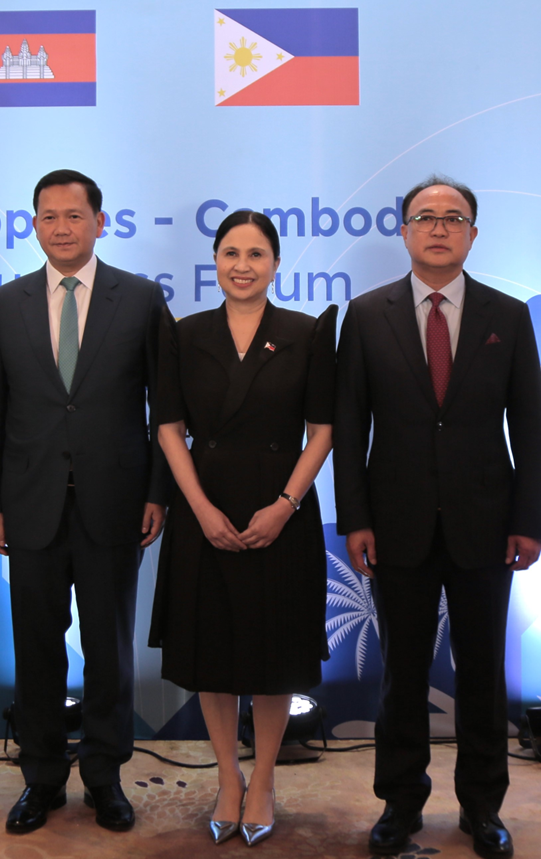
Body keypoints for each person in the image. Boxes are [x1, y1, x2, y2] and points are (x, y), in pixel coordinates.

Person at [333, 176, 541, 859]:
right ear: (403, 231)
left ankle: (482, 808)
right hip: (395, 522)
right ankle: (399, 805)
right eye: (424, 216)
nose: (437, 227)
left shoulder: (507, 315)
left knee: (483, 673)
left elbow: (531, 427)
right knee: (401, 673)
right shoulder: (366, 314)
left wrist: (530, 520)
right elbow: (349, 427)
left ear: (472, 234)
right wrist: (354, 518)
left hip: (486, 522)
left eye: (452, 217)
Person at [0, 169, 172, 834]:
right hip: (28, 506)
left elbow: (163, 409)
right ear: (34, 225)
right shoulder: (4, 304)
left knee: (109, 649)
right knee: (36, 648)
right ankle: (41, 777)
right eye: (49, 216)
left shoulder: (140, 298)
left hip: (115, 502)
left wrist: (157, 492)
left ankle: (105, 776)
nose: (61, 228)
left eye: (74, 215)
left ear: (99, 222)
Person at [149, 211, 336, 847]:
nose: (242, 265)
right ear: (215, 261)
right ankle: (228, 778)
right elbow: (169, 428)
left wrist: (285, 505)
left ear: (276, 264)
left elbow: (322, 431)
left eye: (256, 254)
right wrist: (199, 508)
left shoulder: (306, 333)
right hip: (206, 505)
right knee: (214, 653)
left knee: (272, 654)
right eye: (231, 253)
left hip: (281, 509)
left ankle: (263, 780)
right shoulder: (185, 333)